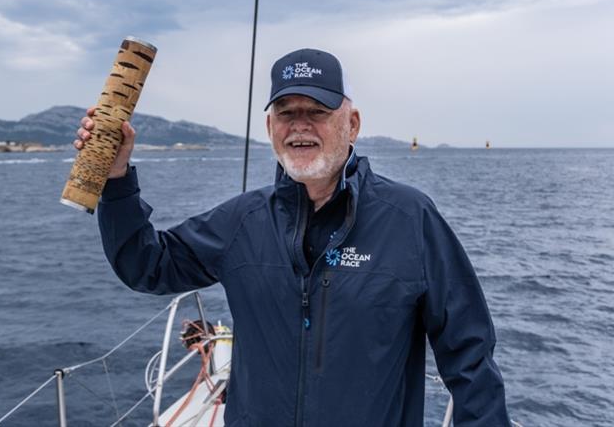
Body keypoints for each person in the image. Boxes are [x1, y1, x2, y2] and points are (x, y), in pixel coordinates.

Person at [75, 48, 511, 426]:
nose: (300, 126)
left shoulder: (409, 219)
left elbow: (468, 351)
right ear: (270, 129)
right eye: (286, 113)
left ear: (352, 124)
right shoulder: (242, 222)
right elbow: (146, 265)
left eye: (317, 112)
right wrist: (115, 180)